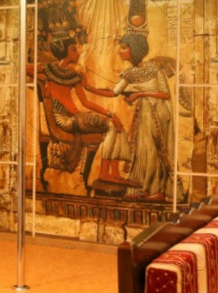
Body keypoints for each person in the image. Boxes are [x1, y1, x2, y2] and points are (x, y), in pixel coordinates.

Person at [32, 38, 135, 185]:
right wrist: (43, 79)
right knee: (112, 125)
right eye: (73, 49)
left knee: (115, 125)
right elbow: (24, 68)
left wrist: (109, 114)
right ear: (64, 51)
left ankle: (114, 173)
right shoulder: (48, 69)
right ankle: (106, 174)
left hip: (75, 118)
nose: (78, 53)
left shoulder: (73, 75)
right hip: (66, 120)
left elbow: (86, 103)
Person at [89, 33, 174, 201]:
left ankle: (158, 192)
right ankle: (145, 189)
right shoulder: (129, 73)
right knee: (143, 151)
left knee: (154, 151)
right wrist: (89, 88)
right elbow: (113, 92)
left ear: (134, 49)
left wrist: (140, 94)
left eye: (123, 48)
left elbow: (165, 94)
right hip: (144, 114)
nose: (119, 51)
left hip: (159, 113)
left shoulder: (154, 68)